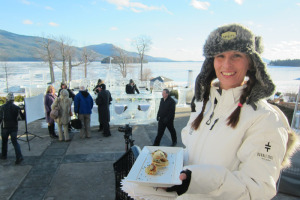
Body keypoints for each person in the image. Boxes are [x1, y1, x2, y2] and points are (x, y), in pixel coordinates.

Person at [166, 24, 299, 199]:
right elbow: (194, 155)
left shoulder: (265, 118)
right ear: (211, 62)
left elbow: (257, 189)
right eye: (220, 55)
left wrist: (194, 179)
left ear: (251, 62)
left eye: (236, 55)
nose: (226, 64)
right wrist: (166, 163)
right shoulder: (204, 106)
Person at [0, 93, 24, 165]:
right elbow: (22, 118)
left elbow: (0, 118)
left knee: (4, 142)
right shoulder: (17, 108)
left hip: (5, 127)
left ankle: (4, 155)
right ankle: (19, 157)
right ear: (13, 99)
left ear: (6, 99)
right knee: (15, 142)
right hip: (14, 127)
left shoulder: (2, 107)